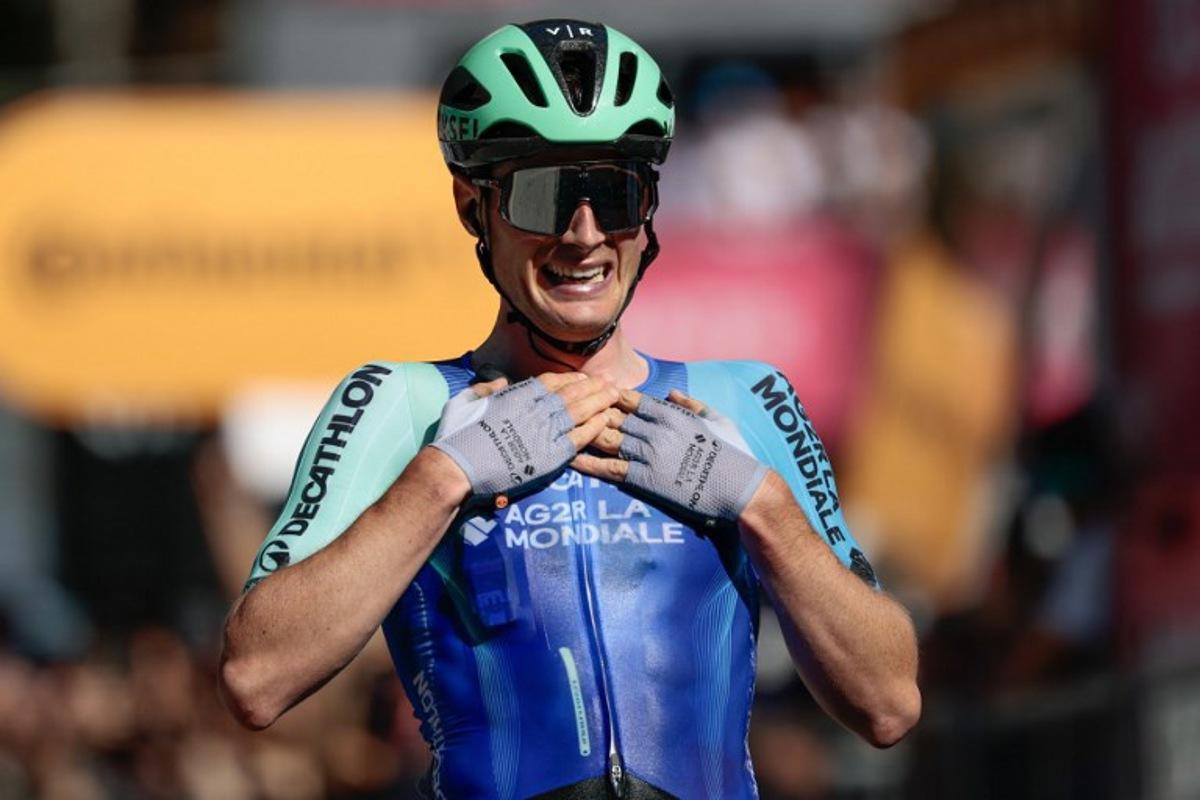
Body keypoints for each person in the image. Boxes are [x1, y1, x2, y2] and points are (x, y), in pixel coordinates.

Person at [218, 19, 920, 799]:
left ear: (648, 206)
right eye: (545, 193)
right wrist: (440, 480)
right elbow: (256, 676)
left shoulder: (744, 398)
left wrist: (761, 504)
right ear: (471, 205)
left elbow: (889, 701)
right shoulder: (400, 402)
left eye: (613, 194)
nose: (583, 234)